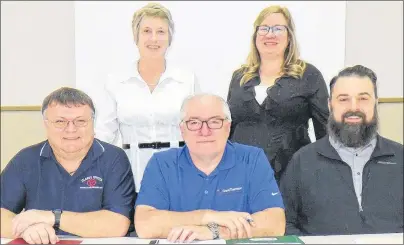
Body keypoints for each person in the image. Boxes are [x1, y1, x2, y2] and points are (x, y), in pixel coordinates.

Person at [134, 94, 285, 243]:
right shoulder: (161, 163)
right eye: (194, 123)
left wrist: (213, 231)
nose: (205, 131)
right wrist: (206, 216)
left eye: (214, 122)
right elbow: (145, 225)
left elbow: (275, 222)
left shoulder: (252, 159)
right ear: (182, 129)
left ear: (228, 127)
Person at [0, 87, 135, 243]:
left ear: (93, 123)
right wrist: (25, 229)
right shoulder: (25, 160)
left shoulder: (114, 158)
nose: (71, 129)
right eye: (60, 122)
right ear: (45, 124)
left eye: (80, 121)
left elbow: (117, 224)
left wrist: (52, 217)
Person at [280, 65, 403, 235]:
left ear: (375, 102)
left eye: (363, 99)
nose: (353, 108)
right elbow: (284, 222)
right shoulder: (302, 161)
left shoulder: (400, 158)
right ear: (330, 105)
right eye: (343, 99)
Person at [94, 2, 199, 193]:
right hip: (131, 175)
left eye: (161, 32)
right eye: (146, 31)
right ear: (136, 36)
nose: (154, 38)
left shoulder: (187, 80)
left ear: (169, 37)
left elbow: (198, 128)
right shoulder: (116, 81)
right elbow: (104, 134)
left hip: (180, 174)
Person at [226, 5, 329, 183]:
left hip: (292, 177)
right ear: (255, 35)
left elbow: (325, 131)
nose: (270, 34)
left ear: (289, 37)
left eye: (278, 29)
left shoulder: (308, 75)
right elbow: (228, 128)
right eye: (264, 28)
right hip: (240, 176)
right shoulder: (239, 77)